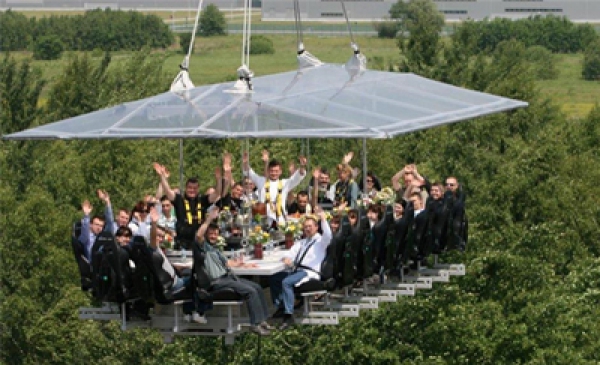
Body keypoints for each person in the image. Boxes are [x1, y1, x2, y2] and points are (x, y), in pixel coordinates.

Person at [194, 208, 273, 335]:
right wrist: (209, 219)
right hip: (217, 282)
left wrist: (242, 264)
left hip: (227, 277)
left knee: (257, 287)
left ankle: (263, 320)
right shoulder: (204, 247)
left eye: (216, 234)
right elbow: (198, 235)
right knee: (250, 292)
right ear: (206, 235)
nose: (214, 236)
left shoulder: (215, 249)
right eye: (211, 234)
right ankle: (255, 324)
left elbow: (227, 263)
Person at [269, 207, 332, 330]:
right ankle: (281, 306)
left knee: (286, 282)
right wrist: (286, 258)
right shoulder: (302, 242)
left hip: (308, 272)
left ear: (316, 227)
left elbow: (328, 235)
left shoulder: (321, 242)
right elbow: (290, 253)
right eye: (305, 227)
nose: (307, 229)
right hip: (297, 271)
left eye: (310, 226)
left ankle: (288, 314)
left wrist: (323, 218)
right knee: (274, 278)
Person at [154, 162, 221, 249]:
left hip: (199, 241)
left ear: (198, 189)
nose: (192, 190)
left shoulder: (203, 200)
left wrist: (219, 180)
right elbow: (167, 191)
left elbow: (217, 193)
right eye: (190, 188)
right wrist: (162, 177)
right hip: (182, 243)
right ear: (186, 188)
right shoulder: (179, 200)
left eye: (195, 188)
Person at [243, 149, 307, 225]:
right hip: (263, 220)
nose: (274, 173)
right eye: (272, 171)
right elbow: (249, 172)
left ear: (280, 172)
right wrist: (245, 162)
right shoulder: (261, 181)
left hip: (280, 220)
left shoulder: (284, 183)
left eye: (276, 171)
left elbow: (297, 177)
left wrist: (302, 166)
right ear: (268, 171)